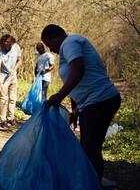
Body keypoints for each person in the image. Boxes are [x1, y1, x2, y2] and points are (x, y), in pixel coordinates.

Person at [41, 24, 121, 182]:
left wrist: (58, 96)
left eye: (49, 45)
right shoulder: (67, 48)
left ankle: (92, 182)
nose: (51, 50)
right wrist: (75, 110)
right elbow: (75, 81)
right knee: (87, 146)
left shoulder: (70, 42)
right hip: (90, 103)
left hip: (100, 100)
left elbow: (78, 70)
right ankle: (90, 181)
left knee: (90, 147)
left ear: (55, 37)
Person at [0, 34, 22, 128]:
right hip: (3, 76)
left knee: (13, 98)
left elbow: (19, 61)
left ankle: (11, 118)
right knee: (3, 98)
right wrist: (0, 83)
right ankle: (3, 120)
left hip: (13, 75)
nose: (5, 47)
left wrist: (14, 69)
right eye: (4, 45)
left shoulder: (16, 47)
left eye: (7, 45)